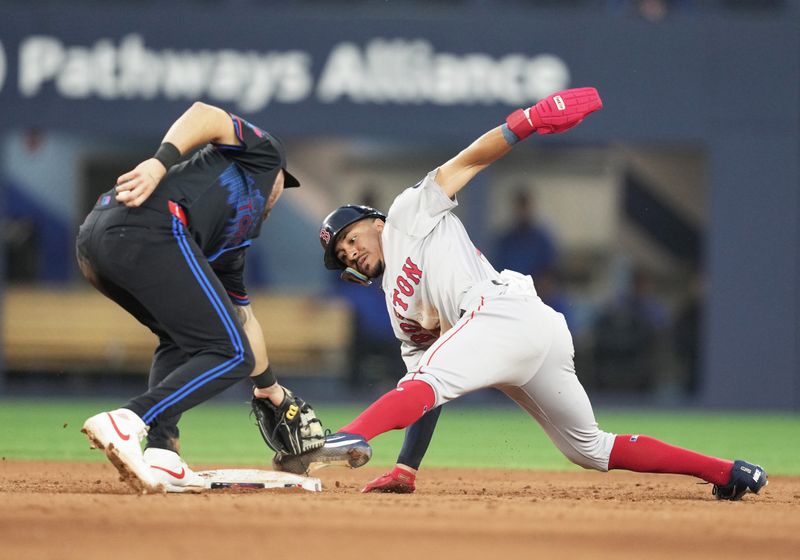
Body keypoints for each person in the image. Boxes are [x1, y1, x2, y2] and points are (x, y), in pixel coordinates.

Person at [275, 87, 767, 501]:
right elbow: (424, 393)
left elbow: (468, 160)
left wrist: (525, 122)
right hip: (519, 336)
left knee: (425, 379)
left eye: (350, 239)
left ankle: (349, 435)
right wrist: (407, 467)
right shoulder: (398, 308)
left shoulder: (407, 212)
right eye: (341, 253)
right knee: (591, 451)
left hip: (505, 313)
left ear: (373, 222)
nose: (349, 252)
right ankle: (727, 472)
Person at [77, 102, 317, 493]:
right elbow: (206, 115)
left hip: (104, 240)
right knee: (233, 354)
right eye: (282, 182)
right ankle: (129, 419)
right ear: (275, 174)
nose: (279, 192)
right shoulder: (264, 155)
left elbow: (245, 319)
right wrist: (159, 162)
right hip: (147, 222)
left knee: (187, 339)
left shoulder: (233, 244)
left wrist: (270, 390)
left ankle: (162, 454)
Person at [492, 188, 558, 280]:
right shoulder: (505, 241)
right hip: (509, 289)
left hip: (535, 290)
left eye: (525, 206)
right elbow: (497, 271)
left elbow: (550, 273)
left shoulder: (543, 241)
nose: (522, 212)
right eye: (520, 207)